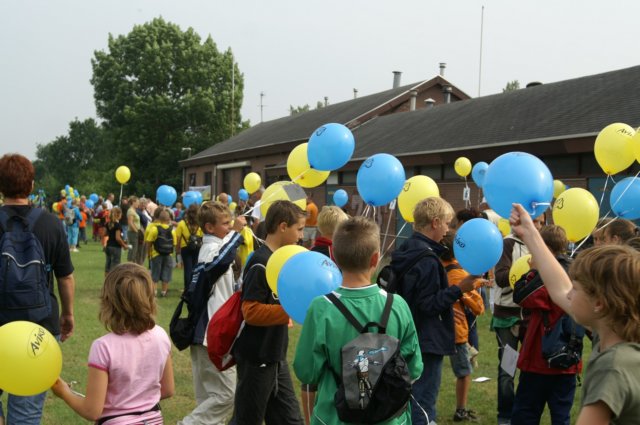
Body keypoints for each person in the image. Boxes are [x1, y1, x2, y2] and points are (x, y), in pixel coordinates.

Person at [509, 203, 640, 425]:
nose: (568, 296)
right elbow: (559, 288)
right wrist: (531, 233)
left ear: (598, 303)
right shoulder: (614, 334)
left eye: (576, 289)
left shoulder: (613, 366)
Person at [294, 216, 423, 425]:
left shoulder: (321, 308)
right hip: (390, 418)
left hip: (334, 417)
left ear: (334, 256)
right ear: (375, 259)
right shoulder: (397, 305)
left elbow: (306, 370)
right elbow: (414, 368)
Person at [0, 153, 75, 425]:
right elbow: (65, 277)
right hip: (39, 328)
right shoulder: (51, 223)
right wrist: (67, 314)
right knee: (26, 413)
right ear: (31, 185)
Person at [389, 197, 479, 425]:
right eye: (447, 224)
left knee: (406, 398)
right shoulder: (428, 259)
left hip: (405, 334)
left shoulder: (407, 248)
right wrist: (459, 289)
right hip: (426, 339)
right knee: (423, 401)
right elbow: (428, 304)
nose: (448, 229)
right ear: (435, 222)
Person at [52, 263, 174, 423]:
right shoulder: (161, 336)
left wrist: (62, 390)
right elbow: (167, 389)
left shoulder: (103, 347)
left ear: (108, 301)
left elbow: (92, 411)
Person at [232, 200, 306, 425]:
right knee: (247, 420)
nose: (301, 236)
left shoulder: (281, 261)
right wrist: (287, 312)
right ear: (283, 226)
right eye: (299, 229)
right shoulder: (260, 262)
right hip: (257, 359)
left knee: (291, 420)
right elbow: (250, 311)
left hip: (275, 358)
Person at [178, 202, 246, 425]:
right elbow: (218, 263)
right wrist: (236, 233)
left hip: (207, 333)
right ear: (209, 227)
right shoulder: (209, 250)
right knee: (227, 395)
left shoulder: (215, 246)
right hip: (211, 334)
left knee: (208, 397)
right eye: (225, 223)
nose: (229, 226)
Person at [511, 225, 581, 425]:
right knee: (561, 416)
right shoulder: (576, 269)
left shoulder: (547, 275)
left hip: (540, 359)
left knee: (526, 414)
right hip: (569, 357)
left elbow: (522, 295)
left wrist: (532, 271)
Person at [493, 212, 545, 425]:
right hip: (507, 317)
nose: (539, 226)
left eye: (542, 222)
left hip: (531, 318)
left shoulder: (541, 245)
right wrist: (527, 272)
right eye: (535, 221)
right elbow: (501, 277)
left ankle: (523, 415)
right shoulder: (508, 244)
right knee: (507, 370)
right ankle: (505, 417)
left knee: (531, 369)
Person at [440, 232, 485, 422]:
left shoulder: (437, 268)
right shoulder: (459, 274)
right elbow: (479, 307)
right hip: (456, 330)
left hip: (436, 327)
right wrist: (472, 289)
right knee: (464, 373)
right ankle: (461, 410)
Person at [146, 208, 176, 297]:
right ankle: (164, 292)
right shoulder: (172, 230)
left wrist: (149, 254)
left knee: (155, 273)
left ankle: (154, 291)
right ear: (169, 220)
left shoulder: (155, 229)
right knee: (166, 273)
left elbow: (149, 242)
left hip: (156, 254)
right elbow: (174, 244)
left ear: (159, 219)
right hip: (168, 255)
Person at [176, 204, 204, 293]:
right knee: (195, 268)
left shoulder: (182, 223)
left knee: (187, 268)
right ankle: (194, 287)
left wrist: (177, 251)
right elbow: (203, 236)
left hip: (185, 248)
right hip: (197, 247)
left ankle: (187, 289)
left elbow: (178, 239)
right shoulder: (200, 223)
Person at [104, 207, 129, 276]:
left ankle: (106, 282)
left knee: (108, 265)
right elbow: (117, 238)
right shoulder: (118, 225)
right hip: (115, 247)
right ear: (118, 214)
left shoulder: (108, 224)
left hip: (108, 246)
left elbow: (104, 234)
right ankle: (112, 283)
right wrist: (124, 245)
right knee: (115, 266)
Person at [127, 196, 142, 263]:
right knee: (133, 249)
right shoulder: (130, 211)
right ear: (133, 202)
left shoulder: (134, 211)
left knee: (135, 249)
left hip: (135, 232)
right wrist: (136, 231)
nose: (138, 204)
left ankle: (132, 262)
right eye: (137, 202)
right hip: (132, 232)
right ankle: (130, 262)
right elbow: (130, 222)